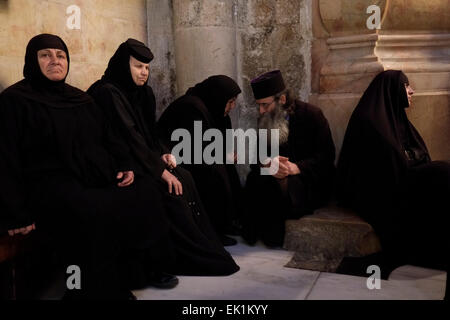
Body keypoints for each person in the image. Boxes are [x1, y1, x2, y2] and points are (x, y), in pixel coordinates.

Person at [0, 34, 179, 300]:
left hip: (86, 176)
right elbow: (6, 159)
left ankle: (138, 271)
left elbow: (108, 136)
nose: (54, 61)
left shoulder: (78, 99)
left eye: (60, 55)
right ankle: (91, 291)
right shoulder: (15, 101)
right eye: (45, 55)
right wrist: (17, 214)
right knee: (94, 211)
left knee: (145, 192)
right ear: (32, 60)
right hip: (44, 186)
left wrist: (124, 164)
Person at [87, 39, 239, 276]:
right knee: (169, 187)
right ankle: (173, 258)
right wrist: (160, 170)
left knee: (185, 177)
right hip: (119, 163)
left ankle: (204, 244)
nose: (144, 73)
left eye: (147, 68)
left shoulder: (143, 93)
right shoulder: (108, 92)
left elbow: (150, 133)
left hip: (141, 157)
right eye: (138, 66)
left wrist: (163, 153)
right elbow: (129, 135)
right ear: (123, 65)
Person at [335, 70, 450, 282]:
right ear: (392, 89)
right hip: (380, 192)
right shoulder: (369, 120)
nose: (412, 91)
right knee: (442, 173)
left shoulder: (395, 117)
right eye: (406, 86)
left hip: (404, 182)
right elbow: (376, 173)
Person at [242, 70, 336, 247]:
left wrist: (295, 167)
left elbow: (326, 156)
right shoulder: (264, 119)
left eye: (265, 105)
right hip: (274, 174)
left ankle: (272, 237)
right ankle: (254, 234)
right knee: (255, 179)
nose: (261, 111)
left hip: (307, 177)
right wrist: (268, 164)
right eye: (259, 106)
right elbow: (256, 160)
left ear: (282, 100)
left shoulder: (312, 115)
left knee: (284, 184)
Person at [157, 75, 244, 246]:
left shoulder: (213, 108)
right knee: (213, 173)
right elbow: (192, 149)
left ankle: (227, 222)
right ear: (218, 97)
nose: (232, 107)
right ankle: (212, 229)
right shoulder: (191, 108)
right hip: (175, 159)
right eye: (230, 101)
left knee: (227, 168)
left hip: (197, 156)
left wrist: (225, 154)